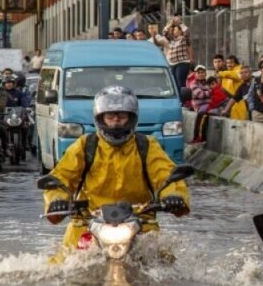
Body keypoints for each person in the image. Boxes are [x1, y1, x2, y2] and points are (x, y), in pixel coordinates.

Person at [43, 86, 190, 249]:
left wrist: (174, 197)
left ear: (131, 118)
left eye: (121, 116)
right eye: (110, 116)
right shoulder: (85, 145)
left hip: (140, 222)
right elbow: (61, 177)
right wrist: (57, 200)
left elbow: (167, 176)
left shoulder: (147, 145)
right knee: (63, 267)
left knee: (164, 263)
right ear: (100, 118)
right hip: (88, 223)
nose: (115, 121)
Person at [154, 23, 193, 91]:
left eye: (175, 30)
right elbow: (164, 33)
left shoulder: (183, 38)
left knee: (180, 82)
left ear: (180, 31)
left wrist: (180, 23)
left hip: (182, 63)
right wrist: (170, 23)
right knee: (174, 83)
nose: (173, 31)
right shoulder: (171, 39)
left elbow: (186, 31)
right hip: (172, 64)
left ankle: (182, 98)